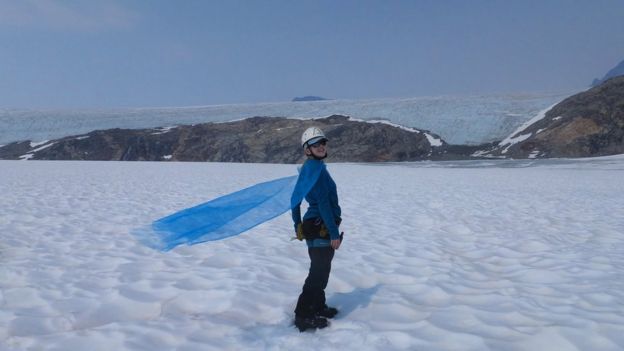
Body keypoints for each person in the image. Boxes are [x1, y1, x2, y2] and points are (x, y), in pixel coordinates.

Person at [291, 126, 343, 332]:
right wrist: (333, 232)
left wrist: (297, 224)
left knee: (322, 269)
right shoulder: (316, 171)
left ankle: (318, 306)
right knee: (318, 273)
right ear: (307, 149)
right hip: (321, 225)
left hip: (312, 225)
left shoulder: (308, 169)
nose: (321, 146)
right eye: (315, 144)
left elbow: (294, 200)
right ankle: (303, 315)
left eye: (323, 142)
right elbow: (323, 203)